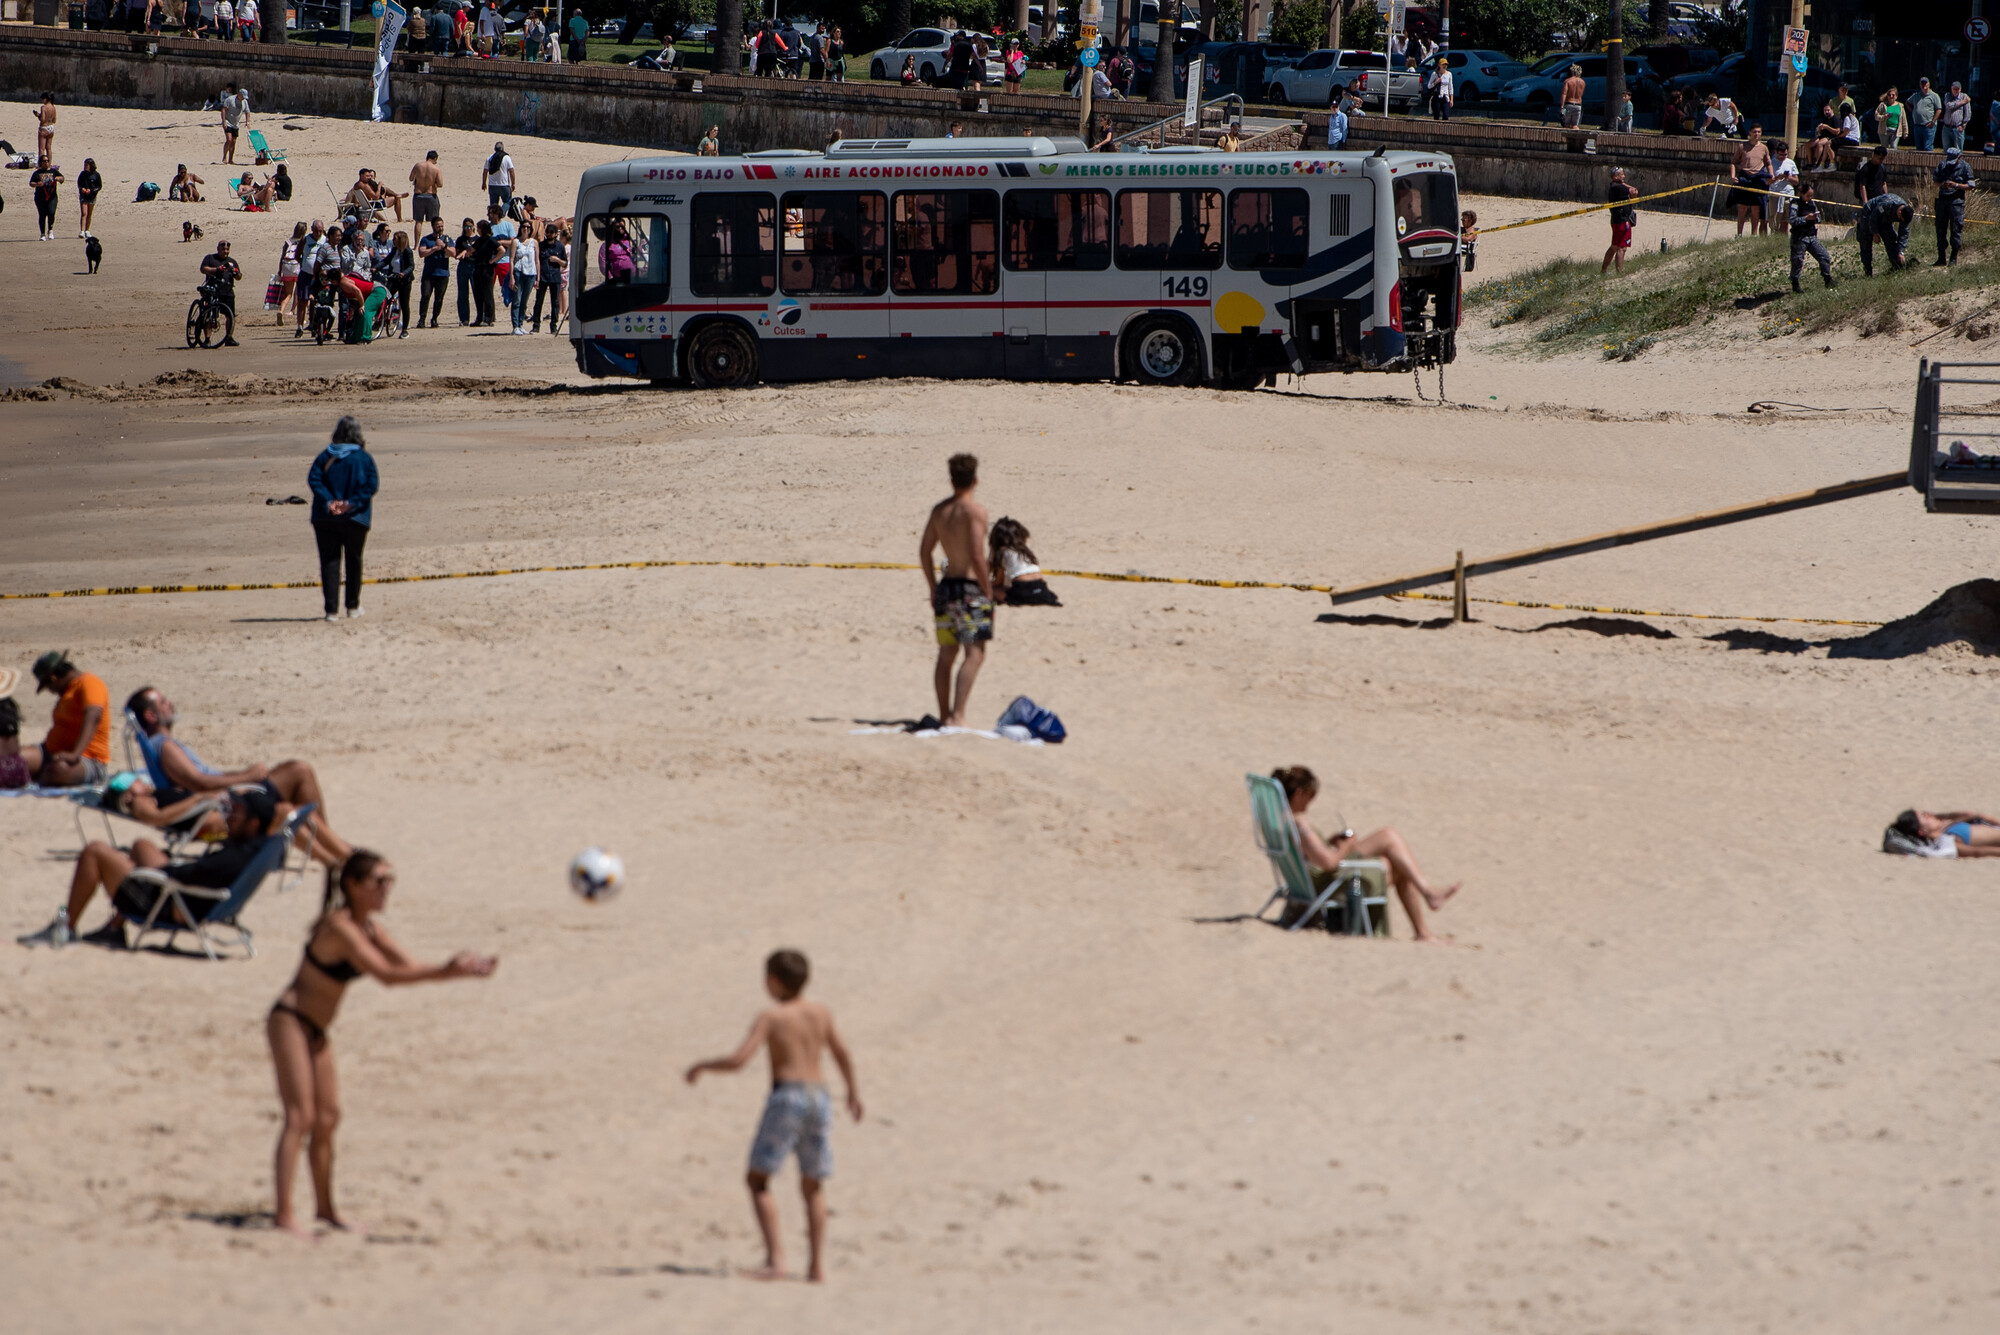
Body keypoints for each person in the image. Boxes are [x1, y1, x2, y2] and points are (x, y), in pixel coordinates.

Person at [267, 850, 497, 1237]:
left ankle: (325, 1210)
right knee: (300, 1117)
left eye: (390, 880)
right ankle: (284, 1214)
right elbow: (387, 976)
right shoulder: (341, 928)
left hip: (317, 1029)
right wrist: (446, 972)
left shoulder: (370, 929)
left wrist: (460, 970)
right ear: (353, 886)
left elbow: (408, 965)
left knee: (328, 1118)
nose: (387, 888)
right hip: (290, 1021)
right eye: (379, 881)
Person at [684, 949, 862, 1283]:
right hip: (820, 1096)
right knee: (813, 1185)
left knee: (758, 1180)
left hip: (787, 1096)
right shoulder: (821, 1012)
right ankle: (816, 1267)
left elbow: (739, 1061)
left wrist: (701, 1066)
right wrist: (853, 1092)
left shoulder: (772, 1017)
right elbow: (841, 1053)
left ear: (773, 981)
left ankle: (775, 1260)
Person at [16, 784, 279, 950]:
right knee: (142, 846)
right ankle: (113, 929)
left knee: (95, 851)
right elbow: (201, 872)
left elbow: (191, 874)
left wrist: (155, 871)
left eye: (236, 814)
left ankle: (66, 926)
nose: (229, 817)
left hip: (170, 902)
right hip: (188, 893)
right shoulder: (255, 847)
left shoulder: (233, 857)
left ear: (254, 823)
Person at [126, 685, 353, 864]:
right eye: (163, 702)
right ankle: (333, 847)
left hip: (225, 796)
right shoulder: (164, 746)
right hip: (229, 802)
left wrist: (244, 775)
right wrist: (246, 777)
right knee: (299, 771)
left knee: (297, 774)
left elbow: (199, 778)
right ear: (151, 715)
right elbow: (198, 782)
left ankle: (330, 847)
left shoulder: (162, 745)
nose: (170, 704)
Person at [1269, 766, 1462, 943]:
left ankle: (1425, 918)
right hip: (1333, 884)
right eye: (1310, 797)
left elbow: (1311, 854)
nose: (1310, 804)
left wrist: (1330, 843)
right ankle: (1426, 912)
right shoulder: (1299, 823)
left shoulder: (1279, 820)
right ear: (1300, 793)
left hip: (1313, 882)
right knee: (1390, 840)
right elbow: (1327, 862)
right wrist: (1345, 847)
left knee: (1393, 851)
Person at [920, 453, 994, 729]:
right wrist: (988, 589)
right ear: (976, 480)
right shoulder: (975, 511)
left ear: (951, 480)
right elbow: (976, 555)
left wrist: (932, 587)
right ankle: (958, 715)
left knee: (946, 654)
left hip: (947, 586)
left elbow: (924, 551)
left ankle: (944, 715)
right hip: (969, 587)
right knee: (975, 653)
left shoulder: (940, 511)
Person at [309, 417, 379, 621]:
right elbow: (371, 486)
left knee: (329, 563)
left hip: (325, 518)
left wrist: (330, 501)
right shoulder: (364, 458)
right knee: (354, 561)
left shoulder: (325, 456)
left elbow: (314, 479)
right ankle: (352, 607)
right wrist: (350, 503)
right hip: (355, 518)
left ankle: (331, 611)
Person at [25, 651, 112, 787]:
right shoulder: (68, 691)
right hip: (49, 752)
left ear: (54, 679)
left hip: (87, 759)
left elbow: (93, 715)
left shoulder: (89, 682)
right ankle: (40, 775)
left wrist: (75, 754)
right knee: (12, 760)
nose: (51, 691)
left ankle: (40, 777)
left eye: (49, 687)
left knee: (59, 770)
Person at [988, 517, 1060, 606]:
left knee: (993, 589)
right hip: (1042, 589)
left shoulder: (1002, 552)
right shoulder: (1027, 552)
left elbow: (999, 583)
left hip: (1023, 590)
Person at [1787, 181, 1835, 292]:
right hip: (1799, 238)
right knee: (1797, 261)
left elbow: (1819, 218)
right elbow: (1792, 220)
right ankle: (1795, 284)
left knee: (1824, 256)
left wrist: (1815, 218)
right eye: (1807, 195)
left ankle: (1828, 279)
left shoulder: (1812, 204)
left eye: (1811, 195)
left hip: (1812, 236)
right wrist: (1805, 218)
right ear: (1801, 194)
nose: (1810, 198)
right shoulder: (1795, 204)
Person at [1889, 810, 2000, 858]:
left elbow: (1969, 813)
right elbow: (1976, 852)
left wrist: (1938, 816)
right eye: (1924, 817)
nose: (1928, 814)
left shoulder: (1947, 826)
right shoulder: (1946, 840)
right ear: (1922, 831)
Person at [1933, 145, 1974, 267]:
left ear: (1959, 157)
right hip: (1942, 201)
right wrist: (1942, 184)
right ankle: (1941, 257)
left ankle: (1953, 257)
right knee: (1940, 230)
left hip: (1956, 202)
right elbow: (1935, 180)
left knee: (1956, 229)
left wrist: (1955, 185)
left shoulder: (1965, 167)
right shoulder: (1943, 165)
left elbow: (1971, 186)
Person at [1729, 124, 1772, 236]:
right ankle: (1739, 234)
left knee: (1755, 208)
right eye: (1754, 132)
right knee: (1742, 208)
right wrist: (1733, 175)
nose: (1756, 134)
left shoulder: (1764, 148)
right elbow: (1733, 162)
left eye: (1758, 132)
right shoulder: (1742, 146)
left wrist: (1771, 175)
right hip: (1744, 177)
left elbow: (1768, 163)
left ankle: (1754, 234)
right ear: (1750, 133)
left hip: (1757, 178)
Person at [1857, 192, 1912, 276]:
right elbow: (1873, 218)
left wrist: (1901, 252)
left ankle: (1897, 266)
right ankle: (1868, 270)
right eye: (1900, 219)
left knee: (1891, 240)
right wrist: (1875, 233)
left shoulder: (1906, 214)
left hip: (1885, 220)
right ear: (1899, 212)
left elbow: (1904, 233)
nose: (1901, 221)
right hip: (1869, 213)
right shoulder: (1886, 204)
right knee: (1865, 241)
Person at [200, 239, 242, 343]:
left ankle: (229, 338)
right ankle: (207, 339)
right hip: (212, 291)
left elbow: (239, 277)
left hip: (227, 292)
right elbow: (203, 269)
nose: (225, 252)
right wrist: (217, 269)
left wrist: (236, 273)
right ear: (218, 249)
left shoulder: (232, 262)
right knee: (209, 316)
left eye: (227, 250)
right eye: (223, 249)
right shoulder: (210, 258)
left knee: (230, 316)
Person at [531, 220, 566, 333]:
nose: (549, 234)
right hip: (543, 277)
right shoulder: (541, 246)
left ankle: (553, 325)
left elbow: (565, 263)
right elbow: (536, 261)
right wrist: (536, 278)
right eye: (548, 232)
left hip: (555, 277)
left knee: (555, 302)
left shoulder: (560, 247)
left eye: (552, 232)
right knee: (539, 301)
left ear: (556, 234)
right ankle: (536, 325)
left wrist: (557, 260)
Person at [1602, 166, 1638, 275]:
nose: (1624, 176)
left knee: (1614, 246)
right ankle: (1619, 272)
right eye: (1622, 174)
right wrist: (1624, 184)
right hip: (1622, 220)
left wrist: (1623, 183)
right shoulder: (1618, 187)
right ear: (1615, 177)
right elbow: (1635, 191)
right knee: (1622, 248)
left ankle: (1603, 270)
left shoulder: (1614, 186)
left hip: (1616, 220)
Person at [417, 217, 452, 329]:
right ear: (433, 227)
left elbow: (454, 253)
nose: (440, 228)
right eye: (438, 226)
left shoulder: (447, 239)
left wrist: (444, 246)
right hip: (429, 274)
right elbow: (421, 252)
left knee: (439, 298)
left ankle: (434, 319)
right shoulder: (426, 239)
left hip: (443, 274)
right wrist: (434, 248)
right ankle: (422, 319)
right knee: (425, 295)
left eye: (441, 226)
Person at [383, 230, 416, 336]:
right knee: (385, 297)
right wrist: (375, 268)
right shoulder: (394, 250)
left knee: (404, 304)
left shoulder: (407, 251)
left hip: (404, 281)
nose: (393, 240)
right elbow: (386, 261)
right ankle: (382, 320)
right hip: (394, 278)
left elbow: (411, 266)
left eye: (395, 239)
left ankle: (404, 329)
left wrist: (404, 273)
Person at [508, 225, 538, 333]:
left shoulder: (534, 242)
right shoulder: (516, 242)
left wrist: (538, 277)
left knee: (524, 301)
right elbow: (511, 259)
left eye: (528, 227)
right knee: (517, 300)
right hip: (519, 272)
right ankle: (515, 326)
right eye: (524, 227)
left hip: (531, 273)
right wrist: (511, 276)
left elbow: (537, 260)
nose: (526, 229)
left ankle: (520, 324)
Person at [276, 222, 307, 325]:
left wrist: (280, 270)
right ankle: (295, 312)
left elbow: (282, 256)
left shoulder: (288, 242)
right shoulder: (303, 241)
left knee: (288, 294)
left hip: (286, 267)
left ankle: (281, 311)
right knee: (298, 292)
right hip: (297, 267)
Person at [471, 217, 499, 325]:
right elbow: (472, 250)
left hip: (487, 270)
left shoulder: (490, 240)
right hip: (478, 268)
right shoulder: (479, 240)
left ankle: (489, 318)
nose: (477, 230)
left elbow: (501, 250)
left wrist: (493, 260)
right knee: (478, 295)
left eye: (478, 228)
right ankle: (479, 318)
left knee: (487, 294)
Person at [29, 155, 63, 242]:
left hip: (52, 196)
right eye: (44, 161)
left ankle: (50, 230)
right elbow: (31, 183)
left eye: (47, 161)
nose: (46, 162)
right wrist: (37, 184)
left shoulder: (53, 171)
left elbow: (62, 178)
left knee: (51, 212)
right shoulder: (37, 173)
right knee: (42, 215)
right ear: (41, 163)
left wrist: (59, 178)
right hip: (40, 197)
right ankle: (42, 234)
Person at [409, 149, 443, 224]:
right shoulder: (436, 168)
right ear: (435, 158)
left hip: (418, 195)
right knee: (434, 221)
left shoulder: (418, 165)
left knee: (418, 222)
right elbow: (440, 184)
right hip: (431, 195)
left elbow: (411, 178)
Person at [219, 82, 249, 165]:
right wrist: (224, 121)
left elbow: (247, 112)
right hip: (228, 122)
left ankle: (231, 159)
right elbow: (223, 110)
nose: (243, 98)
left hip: (236, 124)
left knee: (234, 141)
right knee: (229, 139)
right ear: (239, 94)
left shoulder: (244, 102)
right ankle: (224, 157)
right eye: (242, 96)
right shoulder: (230, 99)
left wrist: (247, 122)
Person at [1910, 77, 1942, 153]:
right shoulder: (1916, 95)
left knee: (1928, 148)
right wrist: (1913, 110)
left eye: (1925, 83)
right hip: (1917, 125)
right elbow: (1907, 102)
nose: (1924, 85)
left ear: (1929, 84)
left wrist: (1933, 121)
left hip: (1929, 126)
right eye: (1922, 83)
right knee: (1918, 148)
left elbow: (1939, 109)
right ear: (1920, 84)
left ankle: (1928, 161)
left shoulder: (1934, 96)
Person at [481, 140, 514, 210]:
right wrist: (513, 183)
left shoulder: (490, 158)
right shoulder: (506, 158)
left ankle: (494, 216)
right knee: (507, 202)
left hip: (492, 185)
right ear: (503, 149)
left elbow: (485, 172)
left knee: (493, 205)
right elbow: (511, 171)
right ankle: (501, 213)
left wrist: (484, 183)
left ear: (495, 149)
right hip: (504, 184)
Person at [1942, 80, 1971, 153]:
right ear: (1951, 89)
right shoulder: (1947, 95)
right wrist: (1962, 102)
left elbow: (1968, 113)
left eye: (1957, 89)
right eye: (1954, 89)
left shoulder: (1964, 96)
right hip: (1947, 128)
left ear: (1960, 89)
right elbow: (1948, 106)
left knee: (1958, 151)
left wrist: (1963, 125)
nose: (1955, 91)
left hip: (1958, 128)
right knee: (1946, 151)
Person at [75, 156, 101, 238]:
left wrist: (92, 190)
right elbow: (79, 183)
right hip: (84, 196)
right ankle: (82, 230)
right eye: (85, 165)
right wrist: (81, 188)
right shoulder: (82, 174)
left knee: (89, 214)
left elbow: (99, 186)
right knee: (84, 213)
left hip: (92, 196)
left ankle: (87, 230)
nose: (85, 166)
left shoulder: (96, 175)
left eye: (86, 165)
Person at [1874, 86, 1903, 151]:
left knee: (1894, 147)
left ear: (1896, 96)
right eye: (1889, 95)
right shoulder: (1882, 105)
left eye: (1893, 95)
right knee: (1884, 148)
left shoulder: (1900, 106)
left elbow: (1903, 119)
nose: (1891, 96)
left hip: (1895, 130)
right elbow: (1876, 116)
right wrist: (1884, 117)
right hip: (1884, 130)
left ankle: (1893, 158)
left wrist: (1905, 132)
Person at [1559, 64, 1585, 130]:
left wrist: (1562, 107)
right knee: (1575, 125)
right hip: (1578, 105)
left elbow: (1564, 94)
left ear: (1572, 72)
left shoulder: (1568, 81)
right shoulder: (1583, 82)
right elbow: (1581, 94)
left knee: (1566, 124)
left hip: (1568, 104)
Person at [1430, 57, 1453, 122]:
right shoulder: (1435, 74)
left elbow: (1450, 87)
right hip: (1437, 96)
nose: (1444, 66)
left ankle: (1444, 127)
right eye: (1443, 64)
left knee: (1446, 115)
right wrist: (1436, 82)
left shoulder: (1449, 74)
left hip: (1445, 97)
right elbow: (1429, 86)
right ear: (1439, 65)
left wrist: (1451, 100)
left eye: (1446, 64)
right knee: (1436, 115)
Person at [36, 91, 56, 160]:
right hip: (51, 127)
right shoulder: (53, 107)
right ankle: (49, 163)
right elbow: (54, 120)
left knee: (41, 149)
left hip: (44, 128)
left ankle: (41, 163)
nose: (42, 101)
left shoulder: (43, 107)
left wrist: (38, 115)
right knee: (49, 148)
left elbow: (42, 119)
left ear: (45, 99)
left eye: (42, 99)